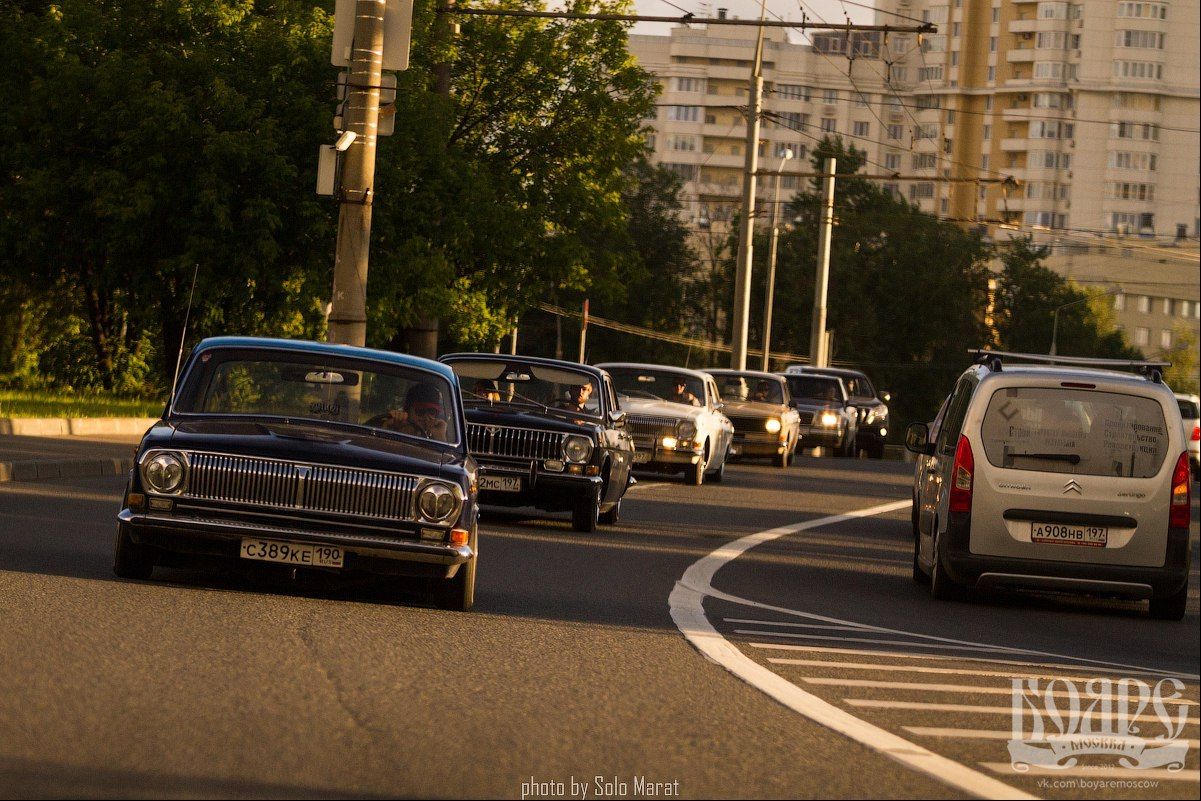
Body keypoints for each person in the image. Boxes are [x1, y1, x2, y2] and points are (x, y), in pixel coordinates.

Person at [378, 383, 449, 441]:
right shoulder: (395, 427)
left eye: (432, 412)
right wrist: (387, 429)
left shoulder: (435, 436)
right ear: (408, 411)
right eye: (420, 411)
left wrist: (440, 437)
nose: (426, 418)